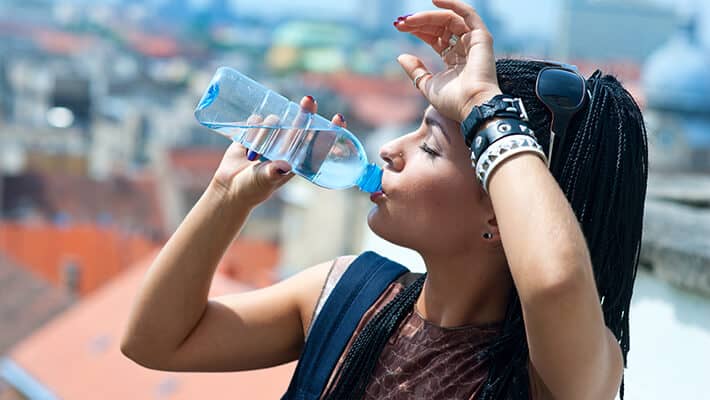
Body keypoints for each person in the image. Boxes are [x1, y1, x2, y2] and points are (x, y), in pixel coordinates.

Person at [120, 0, 647, 399]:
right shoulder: (346, 294)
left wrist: (484, 107)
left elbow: (555, 283)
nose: (392, 150)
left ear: (498, 211)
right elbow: (154, 341)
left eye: (431, 148)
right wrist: (223, 198)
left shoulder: (555, 373)